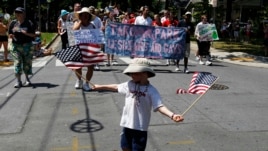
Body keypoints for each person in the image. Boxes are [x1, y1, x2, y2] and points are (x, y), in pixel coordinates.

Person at [92, 58, 184, 151]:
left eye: (134, 73)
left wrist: (172, 115)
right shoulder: (130, 84)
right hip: (127, 125)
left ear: (144, 73)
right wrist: (100, 86)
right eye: (131, 73)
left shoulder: (152, 90)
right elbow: (116, 87)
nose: (131, 75)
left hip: (140, 128)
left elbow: (159, 106)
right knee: (125, 147)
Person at [8, 7, 36, 88]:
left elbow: (34, 35)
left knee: (27, 63)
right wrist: (11, 35)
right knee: (17, 62)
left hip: (27, 46)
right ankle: (18, 81)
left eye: (19, 13)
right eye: (16, 13)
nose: (18, 14)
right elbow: (10, 34)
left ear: (23, 14)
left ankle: (27, 79)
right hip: (16, 46)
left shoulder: (29, 23)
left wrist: (25, 33)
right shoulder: (13, 23)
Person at [72, 7, 97, 91]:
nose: (85, 17)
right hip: (79, 49)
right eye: (83, 15)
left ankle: (87, 83)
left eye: (87, 15)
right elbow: (74, 31)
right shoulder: (77, 23)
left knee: (90, 67)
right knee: (77, 67)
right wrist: (79, 22)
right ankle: (79, 80)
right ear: (80, 16)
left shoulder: (92, 25)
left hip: (89, 49)